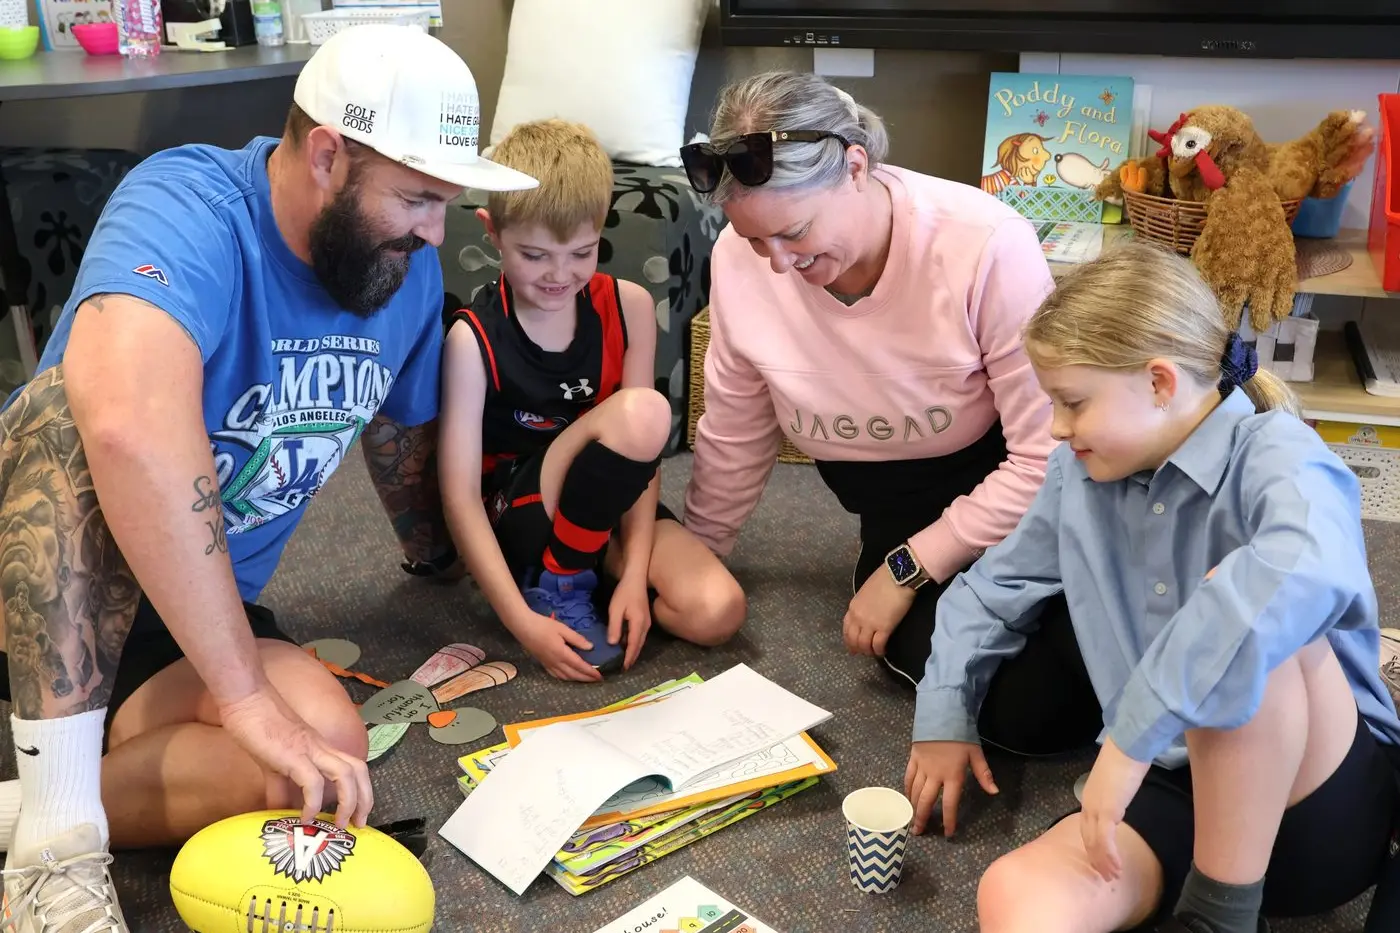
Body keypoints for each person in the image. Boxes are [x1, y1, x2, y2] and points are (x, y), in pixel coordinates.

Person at [0, 24, 537, 930]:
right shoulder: (187, 200)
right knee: (72, 408)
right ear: (327, 155)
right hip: (38, 573)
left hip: (181, 610)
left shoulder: (401, 268)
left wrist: (443, 562)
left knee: (322, 752)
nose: (435, 229)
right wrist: (245, 697)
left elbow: (398, 437)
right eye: (414, 197)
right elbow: (125, 428)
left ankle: (39, 792)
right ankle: (55, 848)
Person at [905, 240, 1400, 933]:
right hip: (1164, 792)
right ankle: (1204, 910)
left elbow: (1299, 572)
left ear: (1161, 382)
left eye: (1072, 402)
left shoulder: (1279, 452)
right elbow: (989, 589)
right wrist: (944, 715)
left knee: (1244, 610)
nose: (1055, 426)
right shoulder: (1075, 478)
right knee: (1013, 895)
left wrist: (1131, 738)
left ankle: (1223, 916)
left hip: (1313, 805)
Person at [679, 71, 1100, 754]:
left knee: (1099, 662)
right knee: (1024, 710)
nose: (777, 264)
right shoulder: (740, 261)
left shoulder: (984, 243)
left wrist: (910, 567)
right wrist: (695, 552)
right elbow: (736, 429)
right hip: (898, 511)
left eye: (794, 232)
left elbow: (1044, 455)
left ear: (855, 166)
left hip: (1020, 499)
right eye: (757, 241)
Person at [438, 118, 745, 682]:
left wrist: (633, 578)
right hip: (523, 518)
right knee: (643, 409)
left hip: (605, 505)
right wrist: (518, 623)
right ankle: (554, 582)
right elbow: (459, 498)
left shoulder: (627, 306)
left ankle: (590, 577)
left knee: (716, 611)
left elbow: (643, 459)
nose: (560, 275)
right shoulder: (471, 338)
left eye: (582, 253)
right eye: (534, 255)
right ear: (492, 231)